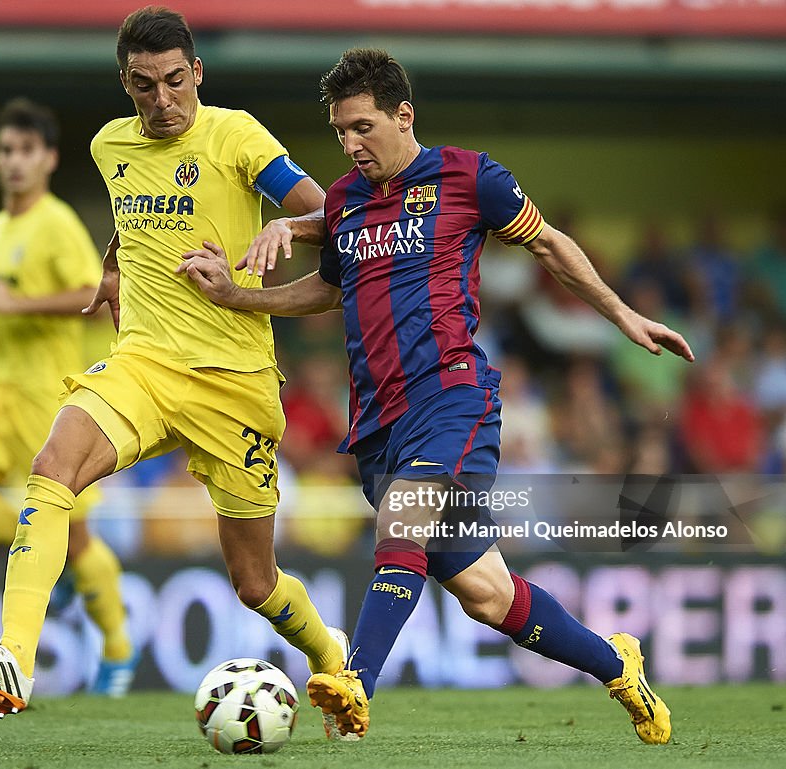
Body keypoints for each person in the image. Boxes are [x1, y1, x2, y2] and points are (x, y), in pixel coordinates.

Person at [178, 48, 695, 745]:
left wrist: (623, 314)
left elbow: (548, 245)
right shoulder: (343, 201)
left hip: (452, 395)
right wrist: (241, 297)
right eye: (339, 132)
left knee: (405, 516)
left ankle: (355, 680)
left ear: (403, 115)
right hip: (377, 423)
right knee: (489, 596)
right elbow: (332, 289)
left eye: (362, 127)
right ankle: (618, 663)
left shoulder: (469, 176)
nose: (350, 144)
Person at [0, 7, 347, 719]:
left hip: (235, 383)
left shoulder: (235, 135)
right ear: (123, 83)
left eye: (175, 81)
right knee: (52, 464)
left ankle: (333, 659)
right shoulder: (109, 146)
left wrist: (279, 229)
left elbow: (337, 218)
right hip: (145, 363)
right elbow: (139, 221)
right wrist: (116, 263)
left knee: (254, 581)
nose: (162, 101)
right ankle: (15, 658)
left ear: (198, 74)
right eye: (143, 85)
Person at [0, 98, 136, 698]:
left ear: (47, 159)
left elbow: (92, 290)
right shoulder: (1, 225)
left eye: (25, 151)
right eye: (6, 151)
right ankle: (46, 555)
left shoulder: (56, 222)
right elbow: (0, 304)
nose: (14, 162)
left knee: (75, 537)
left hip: (46, 400)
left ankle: (119, 650)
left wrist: (15, 306)